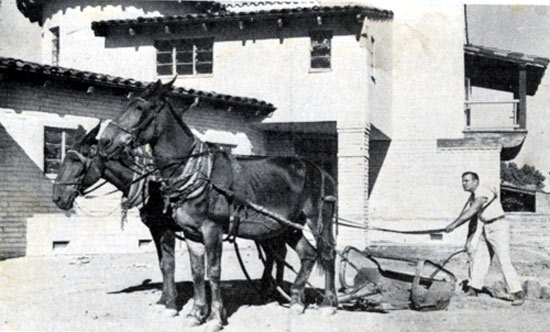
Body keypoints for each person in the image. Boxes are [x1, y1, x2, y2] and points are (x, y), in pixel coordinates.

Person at [445, 171, 525, 306]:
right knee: (480, 259)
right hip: (486, 227)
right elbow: (473, 220)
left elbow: (473, 210)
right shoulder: (473, 196)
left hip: (498, 226)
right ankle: (474, 288)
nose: (463, 183)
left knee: (504, 260)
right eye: (463, 181)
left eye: (467, 181)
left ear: (476, 181)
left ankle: (517, 292)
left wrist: (454, 225)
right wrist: (468, 240)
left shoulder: (483, 191)